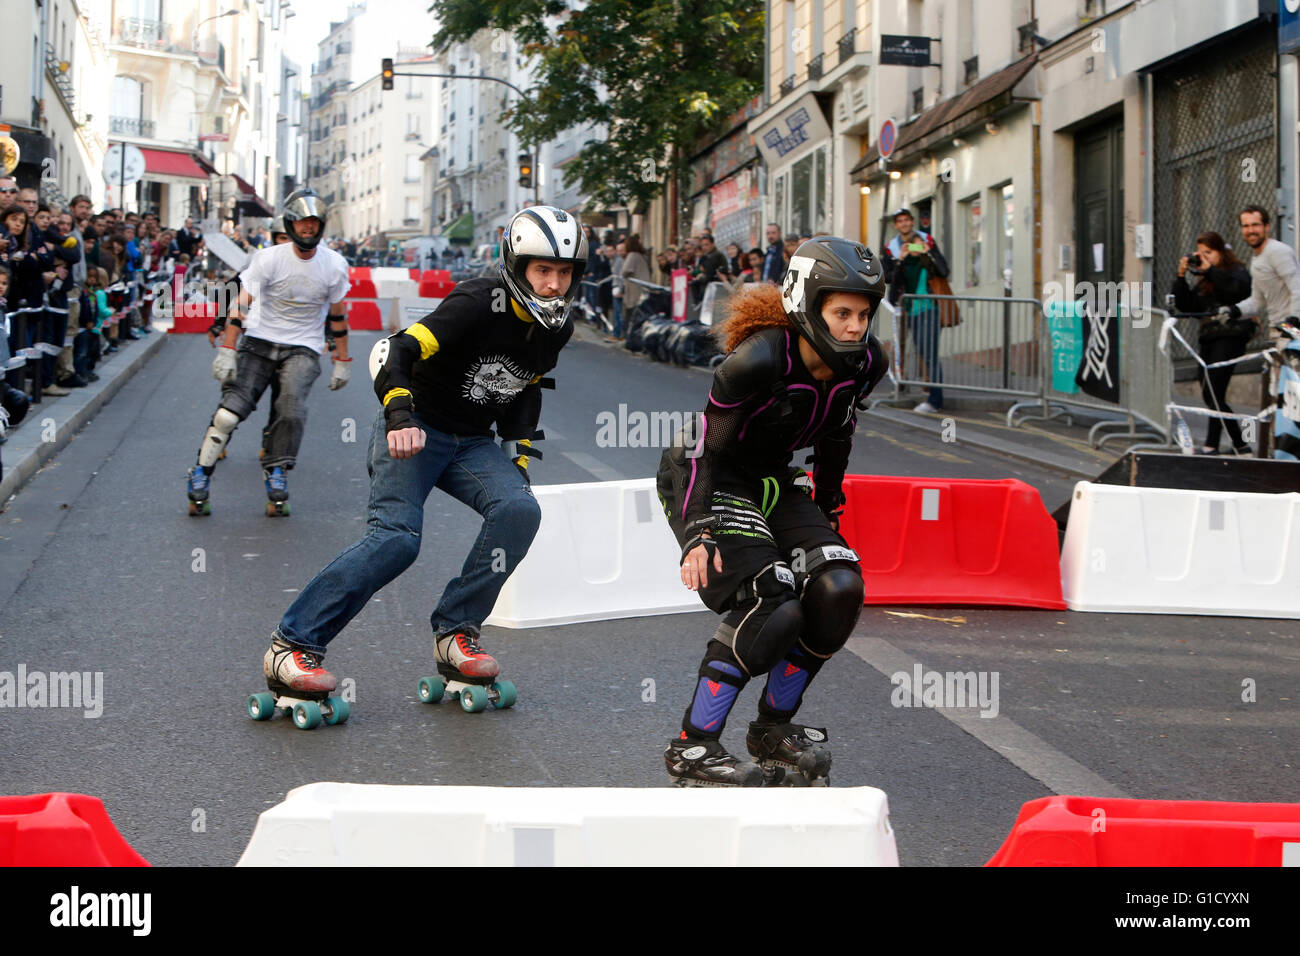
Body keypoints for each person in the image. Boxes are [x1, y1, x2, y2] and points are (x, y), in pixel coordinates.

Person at [257, 205, 586, 712]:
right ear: (517, 267)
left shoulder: (556, 327)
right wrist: (400, 416)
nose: (553, 285)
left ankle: (456, 634)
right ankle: (292, 645)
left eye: (564, 273)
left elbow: (526, 389)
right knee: (396, 540)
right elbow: (395, 352)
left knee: (520, 509)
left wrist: (517, 461)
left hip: (471, 443)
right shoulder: (478, 302)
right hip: (417, 429)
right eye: (543, 271)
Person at [656, 237, 888, 786]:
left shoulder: (867, 361)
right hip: (708, 477)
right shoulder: (757, 360)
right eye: (841, 313)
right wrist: (698, 532)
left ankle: (772, 731)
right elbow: (704, 451)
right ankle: (694, 746)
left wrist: (827, 509)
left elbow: (838, 433)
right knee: (773, 599)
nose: (855, 327)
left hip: (774, 480)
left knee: (838, 588)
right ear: (808, 306)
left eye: (863, 314)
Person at [185, 189, 352, 516]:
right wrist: (228, 349)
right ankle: (201, 472)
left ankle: (276, 471)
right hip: (259, 341)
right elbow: (240, 304)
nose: (308, 229)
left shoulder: (334, 265)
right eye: (303, 223)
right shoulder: (269, 259)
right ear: (290, 225)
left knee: (290, 410)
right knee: (229, 413)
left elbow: (338, 315)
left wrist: (342, 361)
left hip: (302, 348)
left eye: (314, 223)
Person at [1222, 206, 1300, 460]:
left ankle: (1282, 456)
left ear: (1266, 226)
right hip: (1279, 334)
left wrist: (1293, 324)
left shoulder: (1278, 252)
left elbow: (1297, 287)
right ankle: (1278, 455)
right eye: (1246, 226)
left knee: (1290, 395)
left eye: (1255, 225)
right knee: (1281, 396)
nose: (1251, 230)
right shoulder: (1258, 260)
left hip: (1292, 335)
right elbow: (1257, 301)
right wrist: (1234, 310)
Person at [1171, 231, 1254, 454]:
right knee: (1210, 392)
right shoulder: (1205, 280)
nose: (1204, 257)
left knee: (1214, 391)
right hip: (1208, 337)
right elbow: (1188, 305)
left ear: (1221, 252)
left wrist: (1211, 271)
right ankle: (1218, 445)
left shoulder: (1235, 272)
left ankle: (1237, 443)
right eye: (1201, 253)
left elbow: (1238, 290)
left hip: (1231, 336)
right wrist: (1180, 277)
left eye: (1209, 253)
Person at [880, 206, 951, 413]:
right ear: (896, 225)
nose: (905, 224)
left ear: (912, 221)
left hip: (928, 306)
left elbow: (944, 270)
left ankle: (935, 400)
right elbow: (889, 278)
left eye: (907, 220)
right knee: (908, 350)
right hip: (904, 308)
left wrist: (927, 253)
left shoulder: (926, 241)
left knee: (929, 354)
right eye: (900, 221)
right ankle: (904, 387)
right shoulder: (891, 248)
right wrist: (901, 259)